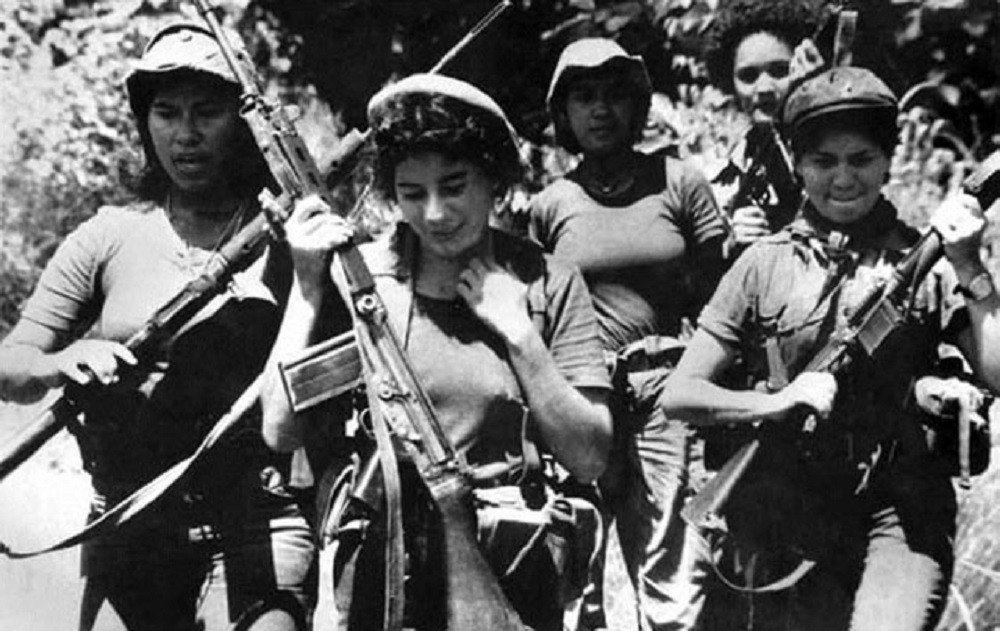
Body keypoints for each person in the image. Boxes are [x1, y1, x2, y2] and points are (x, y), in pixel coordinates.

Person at [259, 73, 613, 631]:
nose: (435, 214)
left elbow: (589, 456)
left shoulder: (547, 281)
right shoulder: (362, 281)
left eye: (454, 186)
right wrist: (307, 285)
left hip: (509, 564)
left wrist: (521, 337)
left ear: (493, 179)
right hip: (383, 570)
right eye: (412, 193)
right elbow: (279, 430)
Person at [659, 65, 1000, 631]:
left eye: (861, 159)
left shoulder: (929, 263)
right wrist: (777, 402)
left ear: (888, 160)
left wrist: (969, 265)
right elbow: (681, 395)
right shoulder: (762, 265)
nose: (843, 178)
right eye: (824, 161)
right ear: (797, 164)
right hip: (793, 504)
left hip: (902, 506)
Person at [0, 23, 316, 631]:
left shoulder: (294, 235)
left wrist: (308, 265)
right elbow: (12, 368)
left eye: (207, 112)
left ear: (244, 123)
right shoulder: (108, 236)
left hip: (257, 522)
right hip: (129, 522)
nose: (185, 133)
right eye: (166, 113)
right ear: (145, 123)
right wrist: (61, 361)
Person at [529, 38, 729, 630]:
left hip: (663, 392)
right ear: (564, 113)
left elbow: (721, 298)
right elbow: (537, 311)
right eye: (584, 97)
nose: (600, 110)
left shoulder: (679, 182)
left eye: (615, 95)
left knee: (674, 571)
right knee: (574, 569)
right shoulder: (549, 204)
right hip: (580, 395)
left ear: (637, 105)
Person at [703, 0, 825, 252]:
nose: (765, 88)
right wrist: (730, 243)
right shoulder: (726, 172)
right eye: (748, 76)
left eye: (780, 71)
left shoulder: (841, 146)